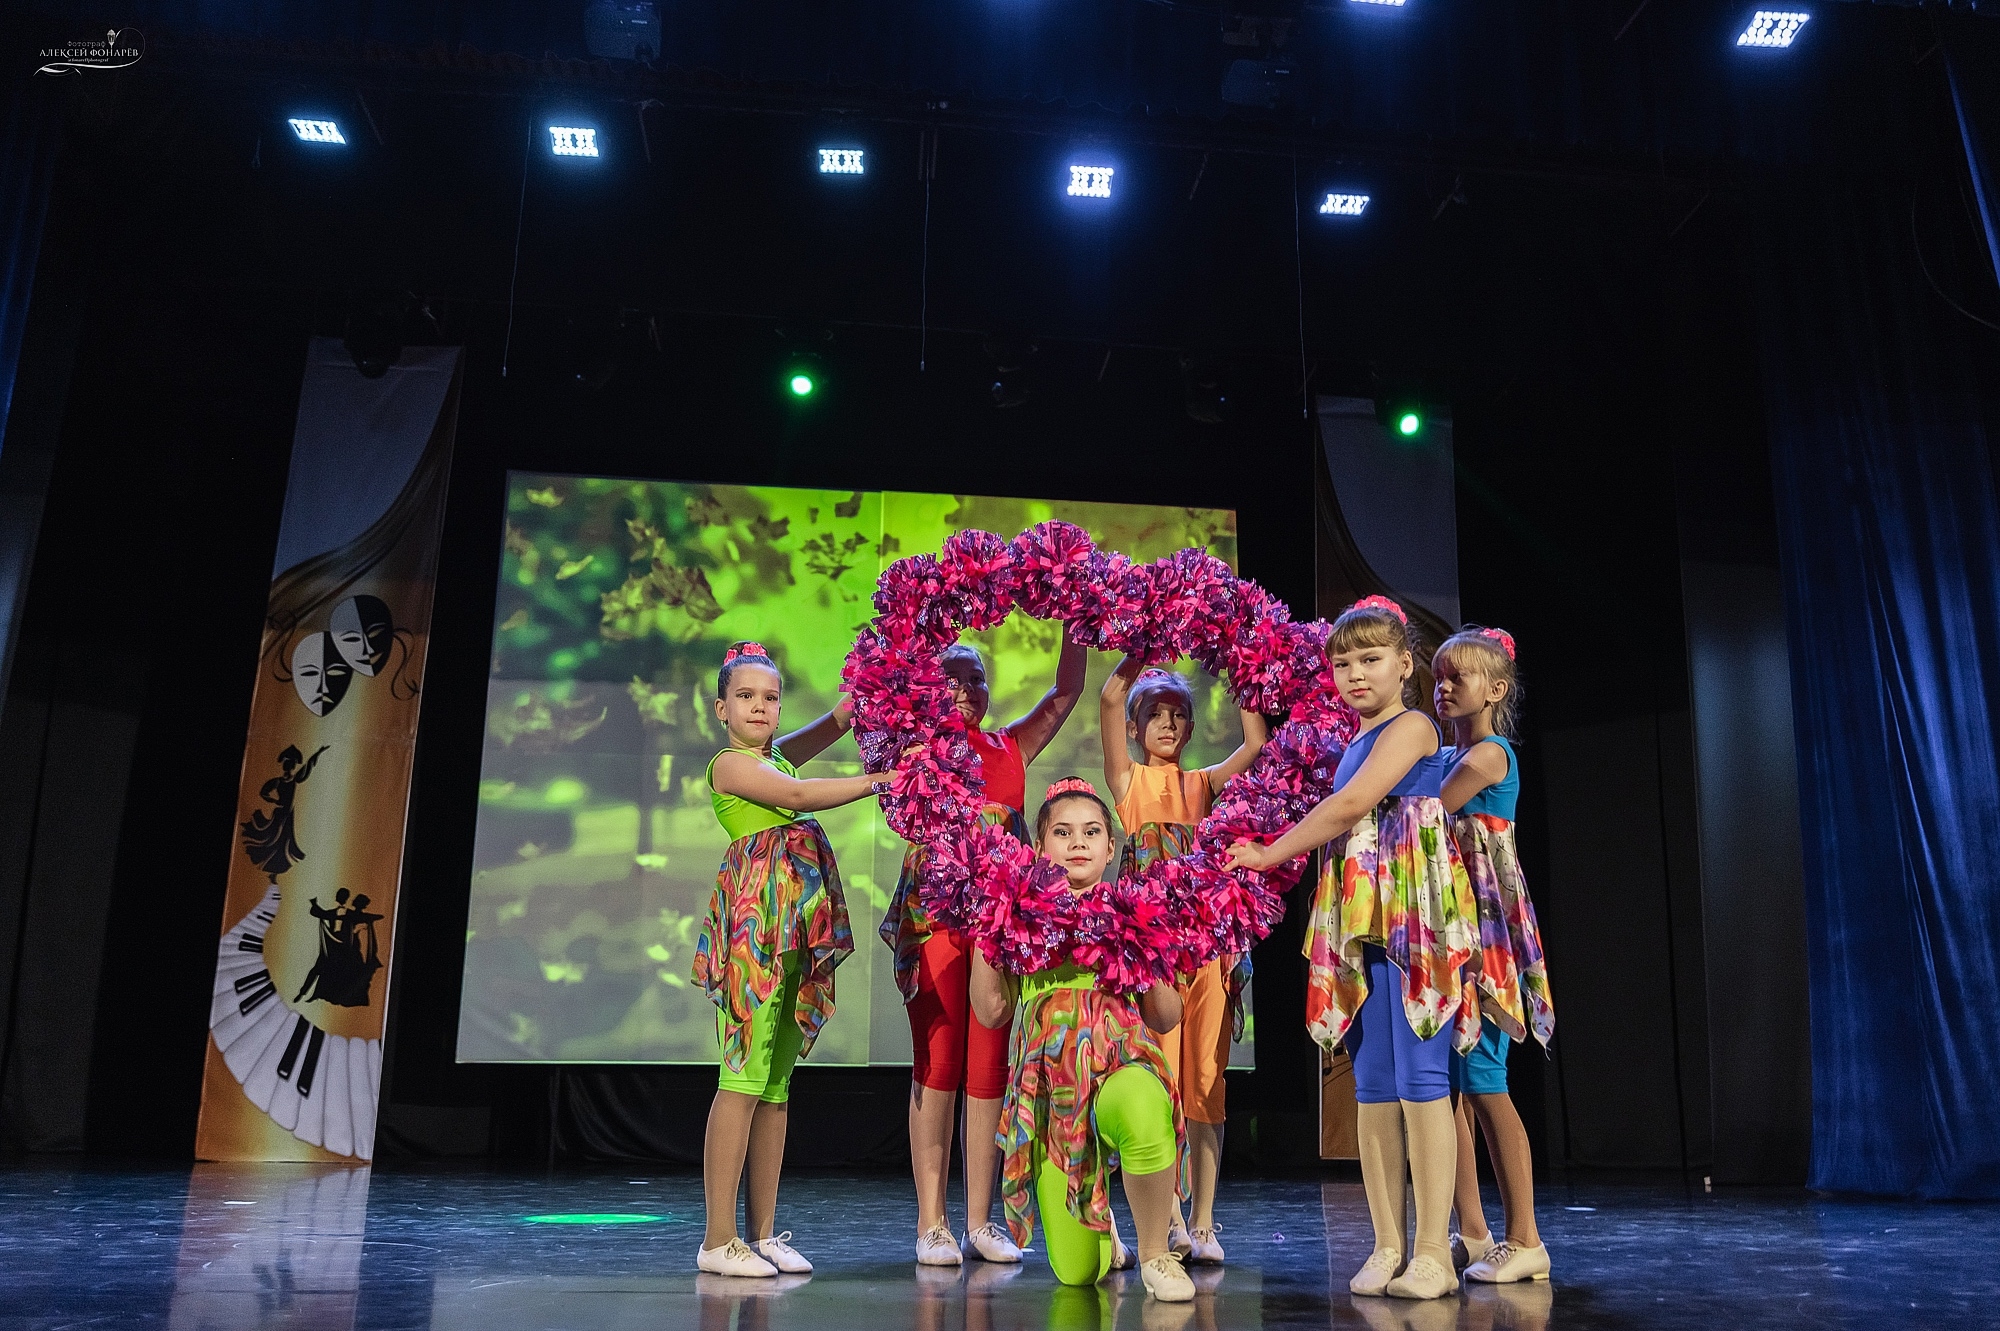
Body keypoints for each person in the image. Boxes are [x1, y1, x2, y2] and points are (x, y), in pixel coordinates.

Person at [1225, 597, 1477, 1301]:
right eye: (1342, 663)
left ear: (1405, 663)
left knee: (1423, 1080)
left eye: (1370, 659)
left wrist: (1268, 853)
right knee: (1372, 1084)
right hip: (1361, 920)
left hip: (1412, 919)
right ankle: (1387, 1243)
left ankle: (1434, 1251)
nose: (1355, 674)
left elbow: (1349, 807)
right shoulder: (1354, 739)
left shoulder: (1414, 726)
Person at [885, 635, 1087, 1266]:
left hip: (999, 920)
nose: (966, 690)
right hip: (937, 915)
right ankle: (931, 1222)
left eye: (976, 678)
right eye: (951, 678)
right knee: (939, 1060)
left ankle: (978, 1220)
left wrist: (1076, 613)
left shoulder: (1009, 746)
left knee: (989, 1065)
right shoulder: (918, 746)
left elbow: (1067, 692)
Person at [693, 641, 883, 1278]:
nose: (759, 707)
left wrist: (867, 694)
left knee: (775, 1089)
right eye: (745, 696)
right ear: (722, 708)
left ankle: (763, 1234)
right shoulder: (730, 765)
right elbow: (797, 795)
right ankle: (718, 1239)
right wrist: (883, 781)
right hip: (757, 935)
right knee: (741, 1082)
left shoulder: (773, 755)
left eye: (770, 698)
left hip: (794, 928)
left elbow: (832, 725)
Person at [970, 779, 1196, 1303]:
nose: (1078, 843)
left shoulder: (1129, 907)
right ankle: (1104, 1226)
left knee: (1142, 1108)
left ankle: (1156, 1255)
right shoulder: (1018, 912)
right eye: (1063, 832)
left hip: (1121, 1064)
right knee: (1077, 1275)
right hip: (1053, 1094)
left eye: (1092, 832)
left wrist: (1148, 939)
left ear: (1110, 848)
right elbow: (991, 1011)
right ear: (1039, 846)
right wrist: (990, 927)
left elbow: (1165, 1017)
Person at [1100, 657, 1267, 1265]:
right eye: (1155, 714)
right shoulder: (1129, 783)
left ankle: (1202, 1220)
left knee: (1205, 1082)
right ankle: (1167, 1215)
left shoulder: (1203, 784)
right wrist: (1142, 646)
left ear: (1191, 728)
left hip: (1208, 949)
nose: (1167, 724)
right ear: (1137, 727)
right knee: (1161, 1077)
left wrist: (1246, 660)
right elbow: (1109, 698)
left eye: (1177, 715)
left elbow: (1256, 743)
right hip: (1155, 954)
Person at [1433, 626, 1553, 1284]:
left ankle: (1526, 1238)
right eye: (1439, 677)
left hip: (1484, 939)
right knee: (1455, 1089)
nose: (1445, 687)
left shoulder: (1487, 755)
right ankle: (1475, 1233)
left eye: (1459, 676)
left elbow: (1425, 810)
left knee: (1485, 1083)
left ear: (1497, 689)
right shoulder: (1452, 754)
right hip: (1450, 931)